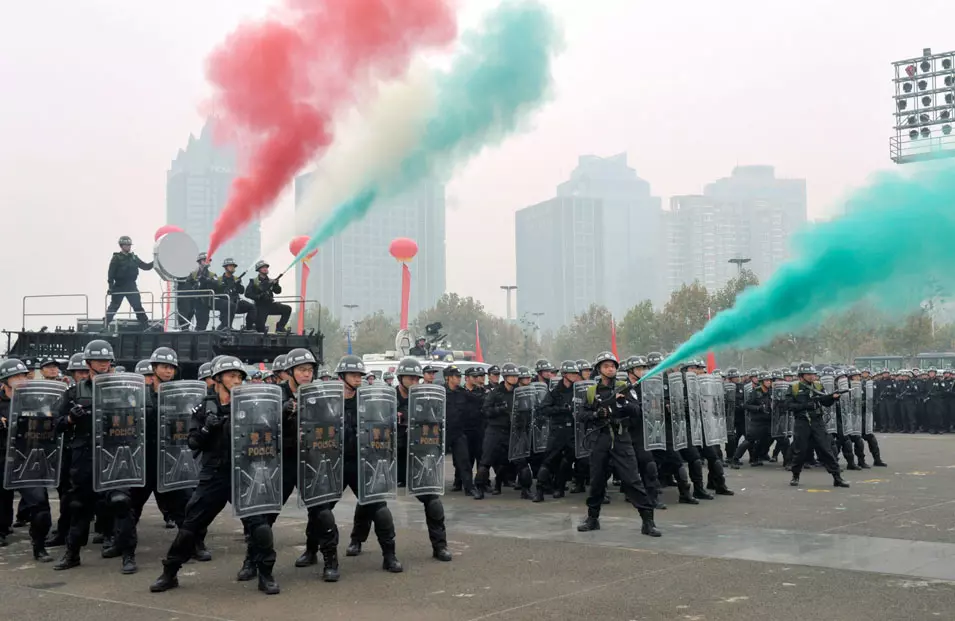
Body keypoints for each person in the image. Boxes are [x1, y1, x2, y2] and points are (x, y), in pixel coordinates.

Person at [150, 356, 281, 595]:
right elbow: (192, 443)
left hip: (245, 473)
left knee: (259, 525)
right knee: (191, 526)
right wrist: (207, 428)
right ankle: (169, 572)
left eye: (240, 376)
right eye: (232, 375)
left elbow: (268, 437)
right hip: (215, 474)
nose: (237, 380)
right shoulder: (204, 407)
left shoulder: (251, 404)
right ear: (218, 378)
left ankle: (265, 574)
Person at [346, 357, 452, 562]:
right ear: (400, 378)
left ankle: (440, 546)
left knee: (432, 499)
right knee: (370, 497)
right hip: (387, 456)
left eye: (416, 378)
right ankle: (356, 539)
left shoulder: (425, 398)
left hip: (416, 457)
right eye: (409, 378)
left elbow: (435, 425)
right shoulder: (387, 397)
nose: (414, 382)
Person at [576, 352, 659, 537]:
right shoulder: (591, 392)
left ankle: (648, 521)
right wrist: (596, 415)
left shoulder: (625, 388)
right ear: (599, 369)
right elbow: (580, 416)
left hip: (621, 439)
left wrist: (623, 404)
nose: (610, 369)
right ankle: (592, 519)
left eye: (612, 366)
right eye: (606, 366)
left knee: (632, 480)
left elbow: (637, 411)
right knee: (597, 481)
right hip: (600, 440)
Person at [0, 359, 56, 558]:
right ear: (5, 381)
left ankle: (39, 546)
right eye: (16, 377)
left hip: (26, 460)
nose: (21, 380)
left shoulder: (35, 401)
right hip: (1, 459)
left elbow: (49, 430)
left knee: (40, 506)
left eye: (24, 376)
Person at [786, 363, 851, 488]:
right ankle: (795, 476)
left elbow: (825, 402)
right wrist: (805, 406)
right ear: (801, 376)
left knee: (826, 449)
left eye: (813, 374)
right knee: (800, 450)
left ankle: (837, 477)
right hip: (802, 422)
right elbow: (788, 406)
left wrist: (833, 397)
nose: (812, 377)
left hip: (817, 421)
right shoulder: (794, 388)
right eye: (808, 374)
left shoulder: (818, 385)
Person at [533, 360, 582, 503]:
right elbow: (544, 409)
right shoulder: (555, 392)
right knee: (549, 460)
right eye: (572, 373)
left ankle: (559, 487)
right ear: (565, 374)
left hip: (572, 430)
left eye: (575, 373)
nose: (575, 376)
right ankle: (540, 491)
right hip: (557, 430)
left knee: (568, 460)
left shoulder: (577, 390)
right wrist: (562, 409)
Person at [106, 236, 153, 329]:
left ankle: (145, 325)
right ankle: (105, 324)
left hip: (131, 285)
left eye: (129, 245)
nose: (128, 247)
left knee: (137, 306)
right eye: (126, 245)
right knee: (114, 307)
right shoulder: (116, 258)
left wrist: (155, 262)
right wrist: (110, 287)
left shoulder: (134, 257)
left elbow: (145, 266)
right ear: (121, 246)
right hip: (119, 285)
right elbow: (110, 274)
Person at [244, 261, 291, 334]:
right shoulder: (254, 282)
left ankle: (280, 327)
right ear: (259, 270)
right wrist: (258, 296)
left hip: (270, 304)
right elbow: (247, 294)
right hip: (260, 307)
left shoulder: (271, 281)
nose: (265, 269)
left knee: (287, 309)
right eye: (263, 267)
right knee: (260, 329)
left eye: (266, 267)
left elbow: (278, 291)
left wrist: (276, 285)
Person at [214, 258, 256, 331]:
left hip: (237, 302)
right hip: (225, 304)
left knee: (252, 307)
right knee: (228, 312)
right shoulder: (219, 279)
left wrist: (237, 284)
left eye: (233, 266)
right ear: (225, 267)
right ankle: (226, 327)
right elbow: (216, 292)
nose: (233, 267)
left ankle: (249, 328)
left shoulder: (237, 279)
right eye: (230, 266)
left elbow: (242, 291)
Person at [179, 253, 218, 331]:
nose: (207, 262)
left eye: (208, 260)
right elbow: (187, 287)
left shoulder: (212, 275)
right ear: (200, 262)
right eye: (205, 260)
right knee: (187, 315)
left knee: (202, 321)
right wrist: (195, 284)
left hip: (204, 301)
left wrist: (207, 281)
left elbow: (216, 285)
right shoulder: (193, 275)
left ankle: (199, 333)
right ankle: (185, 330)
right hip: (192, 300)